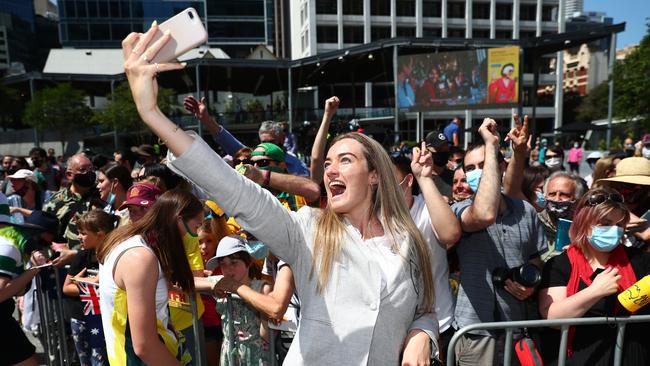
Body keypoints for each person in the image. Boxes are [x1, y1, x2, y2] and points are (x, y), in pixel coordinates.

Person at [122, 25, 438, 364]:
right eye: (327, 162)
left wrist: (423, 334)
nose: (330, 170)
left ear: (375, 175)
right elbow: (237, 192)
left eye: (345, 160)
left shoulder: (409, 241)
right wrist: (152, 114)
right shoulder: (309, 229)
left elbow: (424, 309)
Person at [450, 118, 546, 365]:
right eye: (469, 168)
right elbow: (483, 214)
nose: (476, 172)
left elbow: (536, 258)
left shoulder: (526, 210)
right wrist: (492, 148)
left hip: (519, 328)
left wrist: (531, 282)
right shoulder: (459, 210)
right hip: (476, 330)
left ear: (500, 166)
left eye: (484, 164)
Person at [538, 187, 650, 366]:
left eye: (619, 224)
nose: (613, 230)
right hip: (581, 359)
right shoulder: (561, 264)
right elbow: (552, 318)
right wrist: (594, 291)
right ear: (583, 223)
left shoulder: (640, 260)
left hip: (634, 357)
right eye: (605, 223)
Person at [97, 189, 201, 365]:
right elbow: (144, 346)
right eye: (196, 226)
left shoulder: (127, 241)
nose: (196, 235)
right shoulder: (140, 258)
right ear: (179, 218)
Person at [391, 152, 461, 359]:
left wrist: (424, 177)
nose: (383, 187)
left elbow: (450, 234)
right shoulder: (372, 214)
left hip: (437, 324)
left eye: (391, 180)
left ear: (408, 180)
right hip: (390, 331)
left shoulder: (427, 207)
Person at [184, 96, 310, 176]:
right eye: (263, 143)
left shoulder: (296, 164)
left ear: (282, 139)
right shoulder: (252, 158)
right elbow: (227, 141)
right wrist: (206, 119)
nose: (267, 148)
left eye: (271, 143)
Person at [62, 209, 117, 366]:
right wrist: (88, 284)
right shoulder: (82, 256)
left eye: (83, 233)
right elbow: (66, 287)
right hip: (81, 318)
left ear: (99, 234)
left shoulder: (113, 255)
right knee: (85, 361)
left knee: (101, 360)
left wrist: (94, 282)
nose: (79, 237)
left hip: (105, 318)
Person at [208, 235, 272, 365]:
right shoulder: (222, 283)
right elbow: (189, 283)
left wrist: (264, 313)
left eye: (234, 262)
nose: (228, 269)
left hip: (255, 355)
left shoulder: (261, 288)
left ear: (247, 262)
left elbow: (268, 336)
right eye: (223, 264)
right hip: (230, 355)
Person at [44, 153, 100, 265]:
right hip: (67, 268)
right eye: (83, 169)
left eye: (91, 168)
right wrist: (56, 247)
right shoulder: (57, 201)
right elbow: (44, 233)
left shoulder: (102, 195)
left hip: (97, 263)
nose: (89, 173)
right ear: (69, 175)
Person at [537, 172, 587, 261]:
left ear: (577, 199)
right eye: (552, 194)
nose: (557, 199)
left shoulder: (585, 229)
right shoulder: (535, 223)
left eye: (564, 195)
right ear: (545, 196)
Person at [424, 131, 455, 201]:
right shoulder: (420, 179)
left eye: (446, 148)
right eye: (439, 149)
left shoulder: (455, 177)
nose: (443, 152)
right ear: (427, 150)